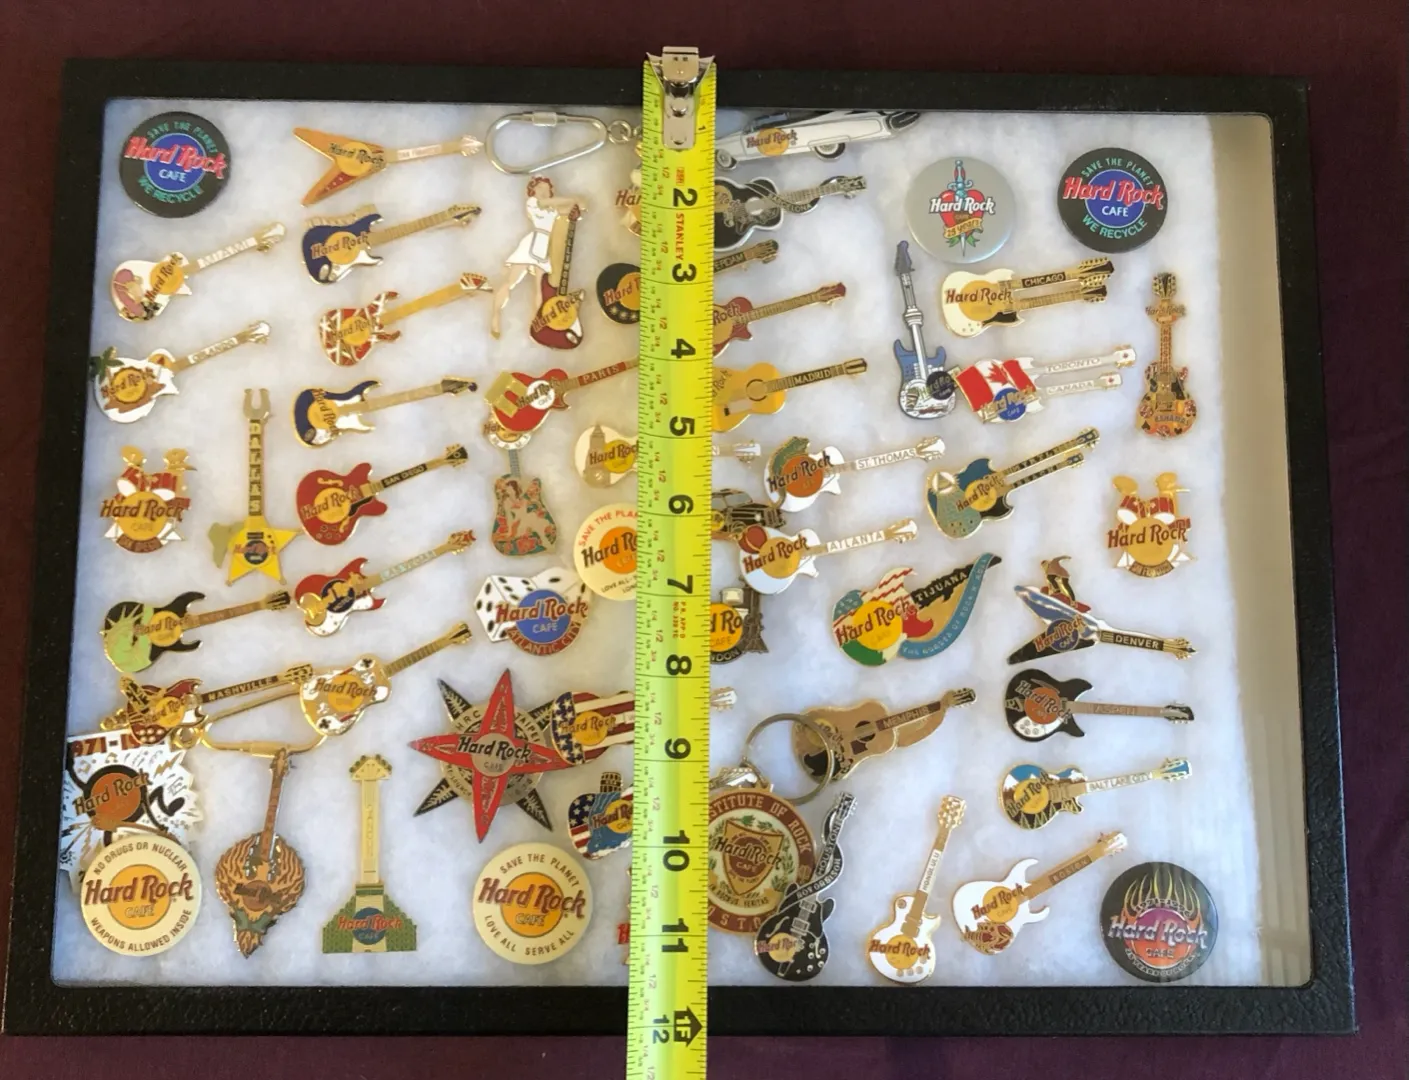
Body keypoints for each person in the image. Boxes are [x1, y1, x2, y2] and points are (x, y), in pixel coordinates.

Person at [490, 176, 585, 339]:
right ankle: (495, 316)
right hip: (532, 245)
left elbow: (569, 212)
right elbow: (552, 202)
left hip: (547, 249)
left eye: (547, 189)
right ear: (532, 190)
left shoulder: (553, 209)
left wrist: (577, 208)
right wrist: (573, 199)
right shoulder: (533, 203)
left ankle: (539, 321)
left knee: (541, 289)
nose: (544, 191)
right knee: (510, 282)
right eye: (540, 188)